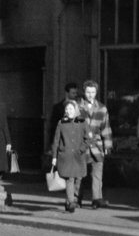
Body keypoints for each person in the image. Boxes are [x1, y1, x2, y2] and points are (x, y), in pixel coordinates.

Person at [77, 80, 112, 209]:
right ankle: (76, 198)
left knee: (97, 174)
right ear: (84, 92)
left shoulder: (102, 108)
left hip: (97, 146)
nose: (90, 95)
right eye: (88, 92)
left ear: (96, 92)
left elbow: (106, 128)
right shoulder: (76, 107)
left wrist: (107, 146)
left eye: (93, 92)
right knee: (78, 174)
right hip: (81, 144)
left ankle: (96, 199)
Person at [51, 102, 90, 214]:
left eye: (71, 109)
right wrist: (54, 156)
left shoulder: (82, 122)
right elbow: (56, 141)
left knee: (78, 178)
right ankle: (72, 202)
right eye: (67, 109)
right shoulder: (61, 123)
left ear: (76, 109)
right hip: (66, 156)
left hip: (78, 156)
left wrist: (81, 149)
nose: (68, 111)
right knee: (70, 179)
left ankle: (68, 201)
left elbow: (88, 138)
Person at [48, 82, 80, 155]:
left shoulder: (79, 106)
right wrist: (52, 145)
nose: (75, 95)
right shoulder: (58, 107)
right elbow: (53, 126)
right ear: (67, 93)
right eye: (73, 93)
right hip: (62, 141)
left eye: (76, 93)